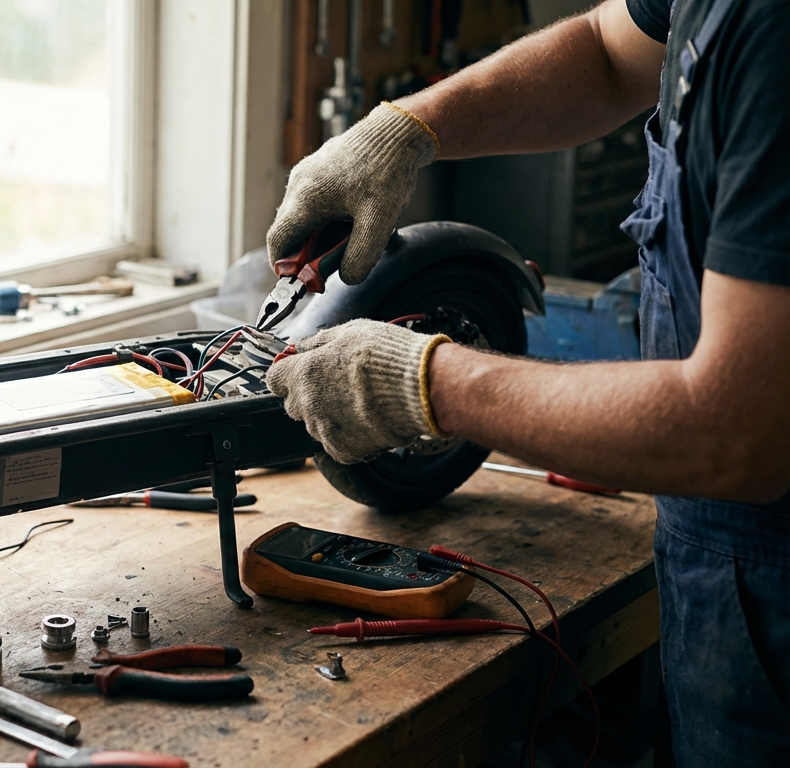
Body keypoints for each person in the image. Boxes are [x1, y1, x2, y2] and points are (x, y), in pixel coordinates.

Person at [263, 0, 790, 762]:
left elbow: (738, 432)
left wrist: (428, 382)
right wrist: (407, 127)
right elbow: (610, 51)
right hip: (710, 554)